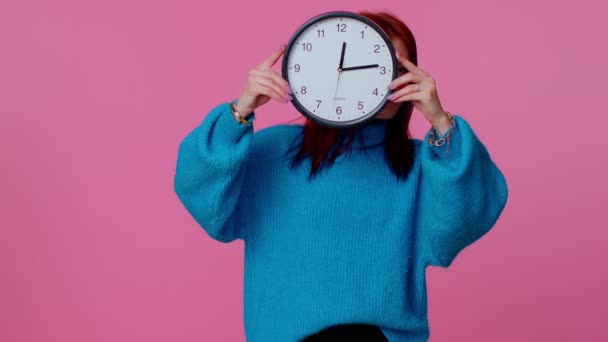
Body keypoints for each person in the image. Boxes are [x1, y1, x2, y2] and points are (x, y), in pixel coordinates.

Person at [173, 10, 508, 342]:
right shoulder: (272, 151)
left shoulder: (424, 164)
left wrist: (441, 122)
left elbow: (469, 217)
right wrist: (239, 110)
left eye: (392, 68)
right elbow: (200, 192)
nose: (378, 80)